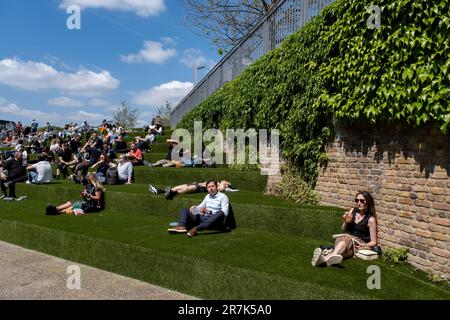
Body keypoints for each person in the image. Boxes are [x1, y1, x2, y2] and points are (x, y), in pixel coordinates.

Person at [311, 191, 378, 267]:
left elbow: (373, 242)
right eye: (357, 200)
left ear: (368, 202)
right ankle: (330, 258)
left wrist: (364, 245)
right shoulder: (353, 211)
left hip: (357, 244)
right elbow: (343, 229)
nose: (359, 203)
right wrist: (346, 222)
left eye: (362, 201)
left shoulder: (370, 220)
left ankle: (325, 258)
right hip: (344, 241)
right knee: (343, 244)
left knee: (346, 239)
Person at [167, 180, 235, 238]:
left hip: (216, 221)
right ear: (207, 189)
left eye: (212, 186)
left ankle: (195, 229)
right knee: (184, 210)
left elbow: (225, 213)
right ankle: (182, 226)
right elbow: (201, 206)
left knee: (221, 212)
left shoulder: (223, 197)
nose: (211, 188)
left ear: (216, 187)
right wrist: (195, 208)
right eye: (209, 187)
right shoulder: (207, 196)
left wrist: (209, 212)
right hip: (205, 218)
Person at [149, 180, 237, 200]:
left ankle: (171, 193)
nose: (224, 180)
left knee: (186, 188)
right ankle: (159, 191)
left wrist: (226, 187)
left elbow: (218, 189)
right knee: (182, 186)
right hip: (199, 184)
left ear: (227, 184)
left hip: (201, 187)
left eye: (226, 181)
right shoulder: (219, 183)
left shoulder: (221, 187)